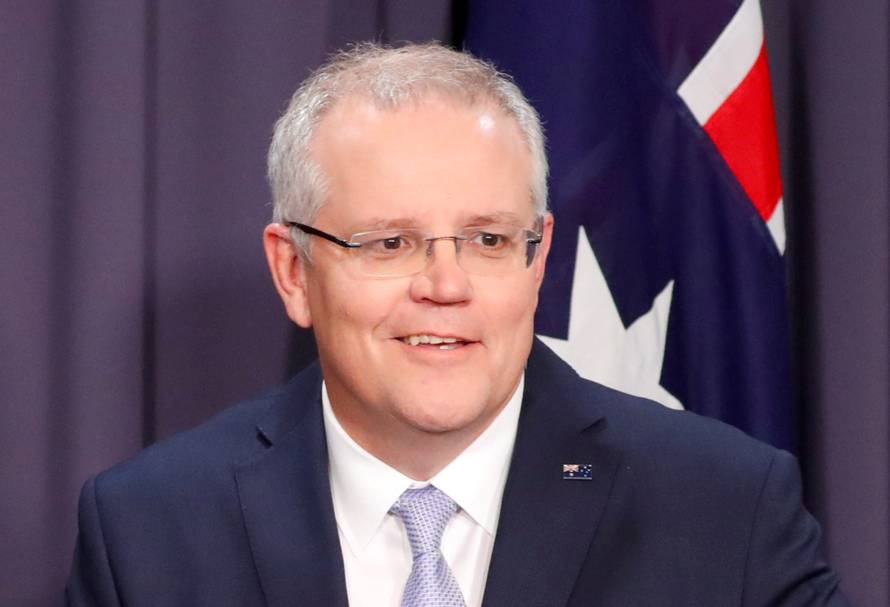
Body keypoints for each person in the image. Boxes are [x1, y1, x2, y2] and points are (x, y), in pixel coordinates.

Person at [66, 42, 848, 607]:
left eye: (488, 239)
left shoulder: (726, 511)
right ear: (294, 272)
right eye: (391, 242)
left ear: (537, 262)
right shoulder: (147, 531)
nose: (446, 285)